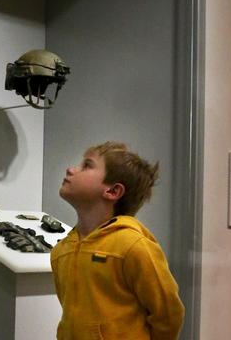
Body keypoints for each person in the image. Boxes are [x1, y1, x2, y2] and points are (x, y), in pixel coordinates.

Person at [50, 141, 185, 340]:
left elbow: (168, 314)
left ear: (113, 191)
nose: (71, 170)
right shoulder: (62, 250)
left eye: (87, 165)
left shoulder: (132, 246)